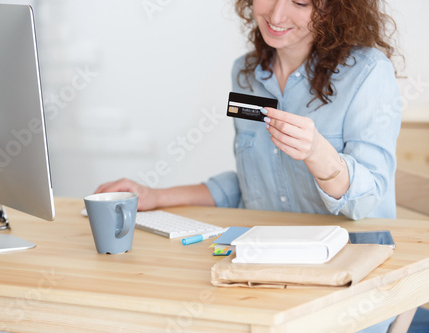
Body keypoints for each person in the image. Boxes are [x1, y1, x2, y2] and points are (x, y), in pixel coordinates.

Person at [96, 1, 416, 331]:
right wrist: (155, 196)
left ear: (333, 8)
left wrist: (319, 153)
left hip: (351, 284)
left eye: (300, 2)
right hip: (263, 272)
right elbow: (253, 184)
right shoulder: (247, 72)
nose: (276, 16)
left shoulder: (368, 73)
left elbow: (368, 201)